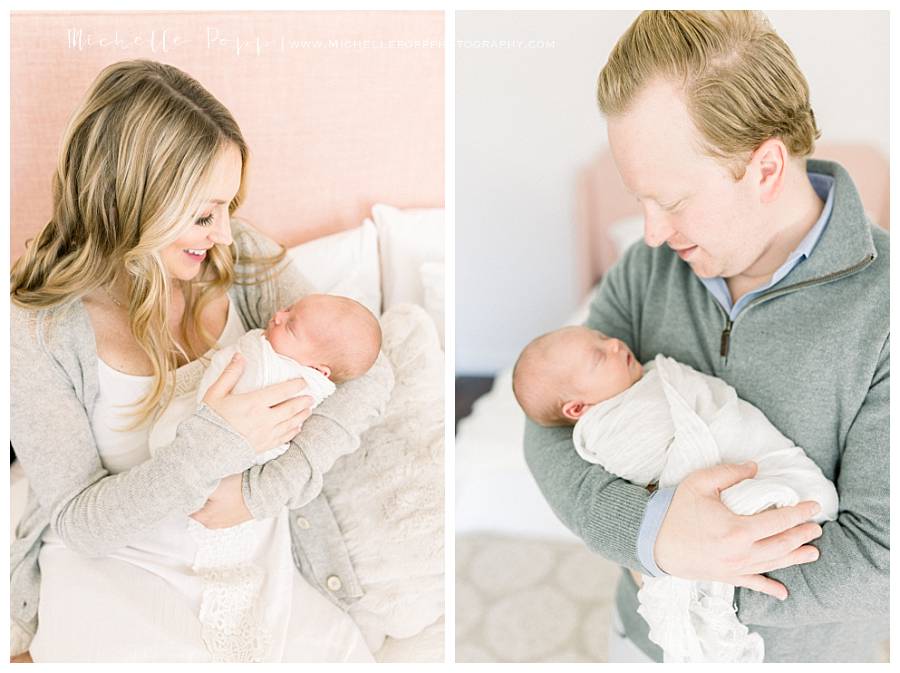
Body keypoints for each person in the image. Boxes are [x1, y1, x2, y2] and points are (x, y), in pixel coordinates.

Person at [523, 11, 888, 663]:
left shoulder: (885, 311)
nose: (653, 232)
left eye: (673, 200)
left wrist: (693, 577)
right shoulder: (646, 268)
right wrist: (652, 535)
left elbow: (881, 554)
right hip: (645, 642)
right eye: (640, 200)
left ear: (765, 168)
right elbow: (548, 422)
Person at [10, 59, 393, 662]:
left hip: (250, 554)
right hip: (120, 566)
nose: (222, 233)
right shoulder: (39, 329)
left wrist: (265, 492)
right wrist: (213, 446)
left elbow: (369, 366)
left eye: (228, 206)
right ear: (131, 202)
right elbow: (80, 525)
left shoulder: (241, 261)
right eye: (202, 214)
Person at [513, 325, 838, 661]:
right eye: (598, 354)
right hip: (641, 634)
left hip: (813, 651)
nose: (612, 343)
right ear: (578, 410)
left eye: (602, 338)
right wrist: (656, 536)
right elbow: (653, 472)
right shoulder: (607, 428)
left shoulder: (652, 379)